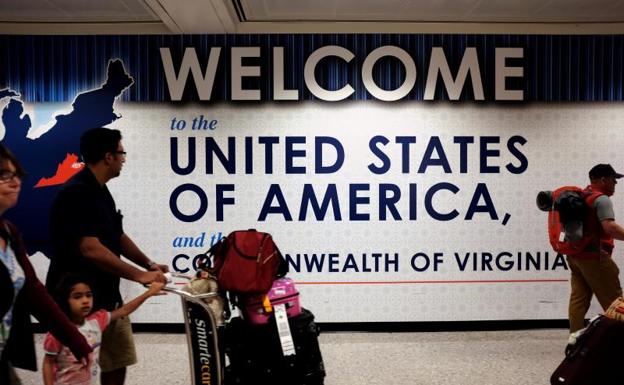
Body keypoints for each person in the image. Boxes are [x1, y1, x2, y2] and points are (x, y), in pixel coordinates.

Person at [45, 128, 168, 385]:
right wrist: (138, 276)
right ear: (108, 156)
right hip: (77, 297)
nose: (124, 158)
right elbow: (89, 247)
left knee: (118, 359)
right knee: (76, 366)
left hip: (107, 293)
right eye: (122, 153)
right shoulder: (76, 192)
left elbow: (117, 236)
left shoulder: (101, 191)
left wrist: (148, 264)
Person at [0, 144, 91, 384]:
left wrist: (75, 339)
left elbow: (33, 291)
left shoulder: (9, 233)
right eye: (3, 175)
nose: (15, 182)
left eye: (16, 174)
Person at [43, 274, 165, 385]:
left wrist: (148, 293)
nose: (85, 300)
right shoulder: (58, 331)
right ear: (65, 300)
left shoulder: (97, 321)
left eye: (89, 295)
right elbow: (48, 362)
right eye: (77, 297)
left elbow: (124, 310)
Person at [567, 163, 624, 332]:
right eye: (614, 180)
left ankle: (575, 338)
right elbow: (610, 227)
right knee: (615, 302)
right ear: (603, 180)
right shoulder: (601, 199)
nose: (616, 184)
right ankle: (618, 342)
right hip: (595, 258)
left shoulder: (581, 196)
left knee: (578, 300)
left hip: (575, 256)